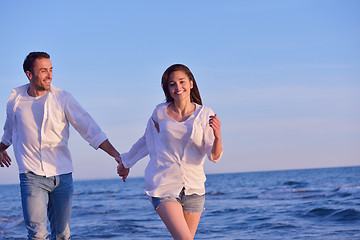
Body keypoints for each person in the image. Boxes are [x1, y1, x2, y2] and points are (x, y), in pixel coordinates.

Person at [0, 52, 129, 240]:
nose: (49, 75)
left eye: (51, 70)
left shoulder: (63, 98)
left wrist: (117, 155)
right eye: (43, 71)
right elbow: (10, 130)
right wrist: (1, 147)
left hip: (62, 175)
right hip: (31, 176)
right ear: (29, 74)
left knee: (61, 234)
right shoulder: (16, 100)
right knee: (37, 235)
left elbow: (90, 129)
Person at [117, 64, 223, 239]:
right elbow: (146, 141)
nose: (177, 87)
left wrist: (218, 137)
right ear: (167, 88)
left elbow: (214, 155)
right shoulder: (160, 112)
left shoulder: (205, 114)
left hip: (194, 188)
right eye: (172, 84)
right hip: (164, 185)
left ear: (191, 83)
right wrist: (126, 162)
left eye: (182, 82)